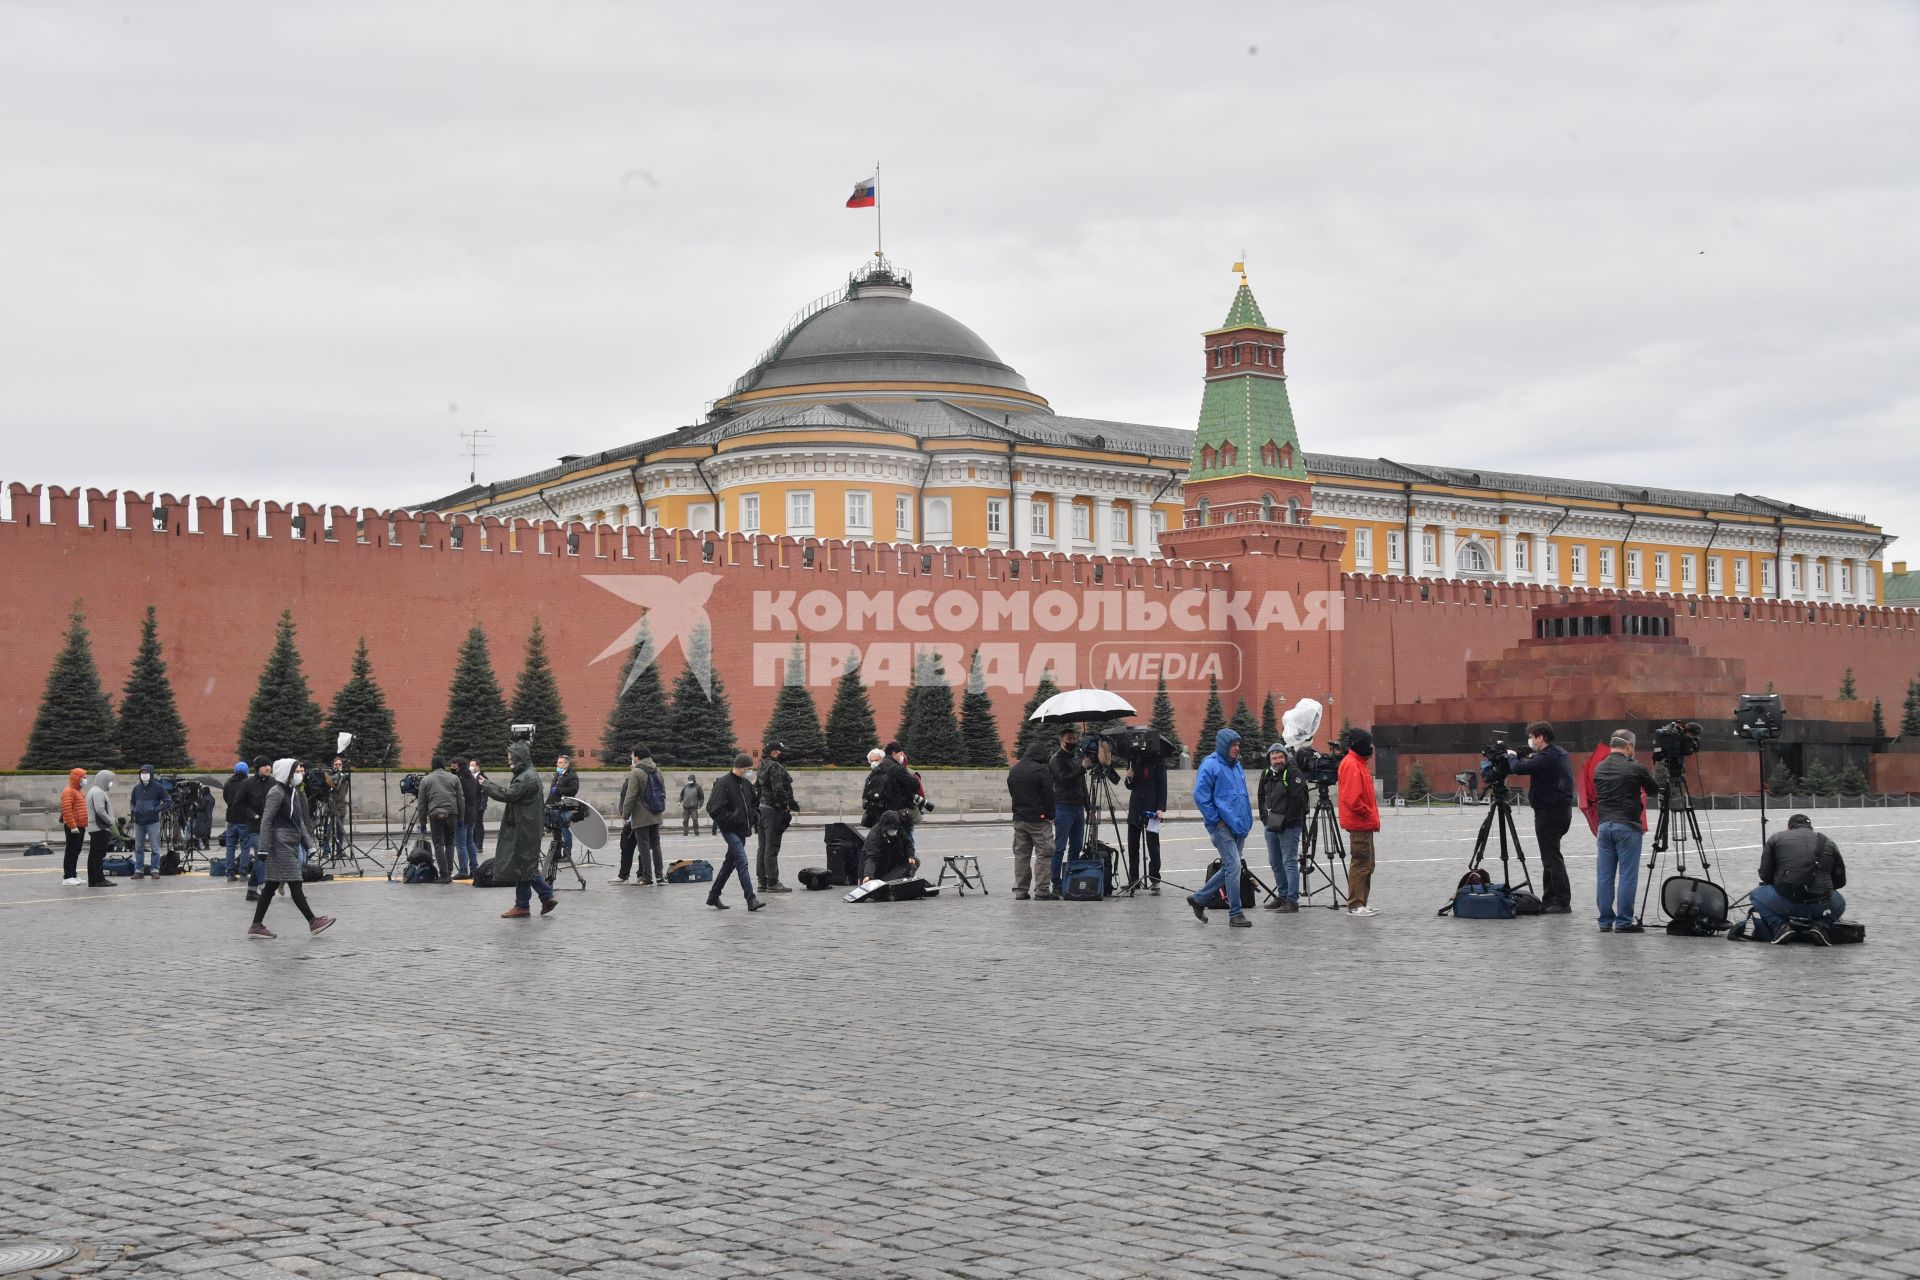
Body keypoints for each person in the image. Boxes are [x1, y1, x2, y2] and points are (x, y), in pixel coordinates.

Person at [248, 759, 336, 939]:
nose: (300, 774)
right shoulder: (276, 792)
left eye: (300, 771)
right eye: (296, 771)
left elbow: (298, 821)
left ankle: (256, 926)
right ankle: (313, 922)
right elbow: (266, 820)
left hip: (290, 842)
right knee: (295, 882)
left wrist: (309, 845)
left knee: (271, 886)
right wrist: (263, 848)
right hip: (279, 844)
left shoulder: (292, 792)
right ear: (286, 773)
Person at [1593, 729, 1658, 933]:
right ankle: (1623, 922)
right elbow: (1654, 789)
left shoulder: (1599, 767)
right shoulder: (1634, 767)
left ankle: (1604, 921)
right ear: (1629, 746)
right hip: (1627, 826)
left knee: (1604, 876)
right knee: (1627, 876)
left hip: (1604, 827)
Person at [483, 740, 556, 919]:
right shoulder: (526, 774)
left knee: (525, 866)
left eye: (510, 758)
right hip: (526, 826)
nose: (508, 761)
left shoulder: (526, 777)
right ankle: (524, 905)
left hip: (525, 829)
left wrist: (485, 783)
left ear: (519, 758)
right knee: (523, 866)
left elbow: (508, 794)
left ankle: (544, 896)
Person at [1506, 721, 1575, 913]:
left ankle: (1562, 901)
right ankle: (1550, 899)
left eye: (1531, 737)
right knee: (1550, 857)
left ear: (1540, 737)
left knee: (1552, 859)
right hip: (1560, 812)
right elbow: (1537, 762)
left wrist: (1511, 757)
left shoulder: (1547, 757)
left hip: (1549, 813)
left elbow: (1519, 769)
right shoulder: (1558, 752)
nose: (1530, 740)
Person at [1188, 728, 1252, 926]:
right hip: (1222, 827)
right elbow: (1200, 796)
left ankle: (1199, 899)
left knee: (1229, 868)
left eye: (1238, 744)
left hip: (1238, 826)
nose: (1236, 748)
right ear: (1224, 745)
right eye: (1233, 745)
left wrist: (1246, 821)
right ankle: (1235, 913)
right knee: (1233, 866)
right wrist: (1216, 820)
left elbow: (1242, 796)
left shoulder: (1237, 766)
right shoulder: (1210, 765)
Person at [1751, 813, 1848, 931]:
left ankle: (1780, 926)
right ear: (1811, 828)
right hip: (1821, 905)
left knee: (1756, 895)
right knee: (1840, 902)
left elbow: (1765, 876)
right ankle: (1821, 926)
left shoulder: (1776, 839)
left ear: (1789, 827)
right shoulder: (1828, 842)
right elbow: (1840, 881)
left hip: (1786, 902)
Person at [704, 752, 764, 911]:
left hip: (742, 830)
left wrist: (754, 816)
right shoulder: (723, 783)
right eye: (748, 768)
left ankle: (713, 896)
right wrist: (732, 819)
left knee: (729, 863)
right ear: (740, 767)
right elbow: (713, 809)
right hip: (729, 829)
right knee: (742, 861)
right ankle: (751, 899)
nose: (749, 771)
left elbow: (754, 803)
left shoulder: (746, 784)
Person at [1259, 742, 1307, 912]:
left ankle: (1292, 900)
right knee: (1275, 862)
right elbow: (1261, 797)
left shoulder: (1293, 773)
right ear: (1269, 759)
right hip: (1272, 824)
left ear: (1285, 758)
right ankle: (1282, 895)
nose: (1277, 760)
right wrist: (1265, 819)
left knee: (1289, 862)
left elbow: (1297, 800)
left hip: (1289, 825)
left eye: (1280, 757)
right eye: (1274, 757)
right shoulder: (1266, 774)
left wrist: (1286, 822)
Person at [1006, 739, 1056, 900]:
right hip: (1039, 820)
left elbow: (1012, 792)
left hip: (1019, 819)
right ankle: (1042, 891)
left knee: (1021, 855)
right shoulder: (1042, 770)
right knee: (1043, 854)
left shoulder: (1014, 770)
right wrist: (1050, 814)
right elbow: (1049, 794)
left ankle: (1020, 890)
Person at [1338, 729, 1381, 917]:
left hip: (1365, 823)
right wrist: (1368, 812)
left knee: (1367, 864)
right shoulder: (1351, 764)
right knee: (1361, 864)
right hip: (1360, 823)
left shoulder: (1359, 763)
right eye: (1367, 742)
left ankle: (1361, 902)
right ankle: (1355, 905)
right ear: (1358, 743)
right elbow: (1352, 799)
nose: (1370, 747)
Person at [616, 745, 666, 885]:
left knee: (643, 847)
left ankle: (647, 877)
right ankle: (660, 877)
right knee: (655, 845)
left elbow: (630, 796)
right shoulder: (657, 770)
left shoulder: (636, 772)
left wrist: (625, 814)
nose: (632, 758)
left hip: (641, 815)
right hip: (655, 813)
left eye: (632, 756)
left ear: (637, 757)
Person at [1049, 726, 1089, 895]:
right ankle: (1056, 882)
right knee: (1059, 847)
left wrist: (1089, 806)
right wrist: (1082, 768)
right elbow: (1063, 779)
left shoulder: (1076, 758)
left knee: (1076, 847)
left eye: (1074, 739)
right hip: (1063, 806)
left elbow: (1082, 784)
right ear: (1061, 740)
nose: (1072, 741)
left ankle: (1070, 879)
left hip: (1078, 807)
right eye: (1069, 739)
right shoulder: (1056, 759)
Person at [1125, 744, 1168, 893]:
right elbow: (1130, 786)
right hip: (1136, 807)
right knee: (1132, 845)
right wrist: (1129, 779)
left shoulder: (1158, 760)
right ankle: (1134, 879)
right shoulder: (1133, 759)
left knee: (1153, 846)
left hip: (1152, 808)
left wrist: (1161, 808)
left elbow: (1163, 785)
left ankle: (1155, 879)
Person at [755, 740, 797, 893]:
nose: (780, 753)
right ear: (773, 752)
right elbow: (778, 789)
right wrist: (786, 805)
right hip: (772, 810)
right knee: (772, 848)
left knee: (763, 847)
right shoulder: (774, 766)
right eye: (778, 751)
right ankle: (773, 882)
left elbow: (758, 787)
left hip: (762, 808)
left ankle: (762, 882)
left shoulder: (762, 765)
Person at [416, 755, 465, 884]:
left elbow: (422, 803)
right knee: (450, 843)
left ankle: (443, 875)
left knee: (438, 844)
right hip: (452, 814)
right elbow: (461, 799)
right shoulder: (454, 778)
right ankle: (448, 872)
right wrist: (461, 818)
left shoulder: (426, 780)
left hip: (435, 814)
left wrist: (422, 822)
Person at [220, 760, 259, 882]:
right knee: (245, 847)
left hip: (231, 818)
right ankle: (243, 873)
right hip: (244, 819)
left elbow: (226, 798)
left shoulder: (228, 784)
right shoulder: (247, 783)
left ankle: (230, 873)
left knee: (230, 846)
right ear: (247, 771)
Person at [128, 764, 166, 879]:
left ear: (151, 774)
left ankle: (155, 869)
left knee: (155, 847)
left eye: (146, 773)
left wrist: (156, 809)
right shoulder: (137, 788)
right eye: (142, 773)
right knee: (138, 847)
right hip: (139, 822)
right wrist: (133, 810)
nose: (144, 775)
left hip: (153, 821)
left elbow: (167, 801)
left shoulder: (158, 787)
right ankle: (139, 870)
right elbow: (132, 802)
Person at [243, 755, 273, 900]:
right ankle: (263, 886)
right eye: (264, 765)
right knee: (262, 854)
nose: (268, 768)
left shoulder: (274, 783)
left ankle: (251, 890)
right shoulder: (248, 784)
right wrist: (252, 815)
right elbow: (239, 804)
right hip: (254, 827)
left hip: (269, 826)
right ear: (257, 768)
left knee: (260, 857)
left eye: (269, 765)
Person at [83, 768, 118, 888]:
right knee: (98, 853)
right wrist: (110, 821)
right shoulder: (98, 792)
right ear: (104, 780)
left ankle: (94, 879)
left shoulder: (95, 790)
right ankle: (98, 879)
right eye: (110, 780)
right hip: (99, 827)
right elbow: (100, 810)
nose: (111, 783)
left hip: (95, 826)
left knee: (94, 854)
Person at [456, 756, 485, 880]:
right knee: (470, 842)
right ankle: (474, 868)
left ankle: (463, 870)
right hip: (472, 813)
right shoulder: (472, 778)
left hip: (462, 815)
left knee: (461, 844)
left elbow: (459, 798)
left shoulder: (459, 779)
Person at [547, 754, 580, 860]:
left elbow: (573, 790)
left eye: (560, 762)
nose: (557, 764)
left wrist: (559, 790)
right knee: (556, 830)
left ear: (566, 764)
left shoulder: (572, 775)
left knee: (565, 830)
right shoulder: (558, 774)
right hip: (555, 805)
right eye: (558, 762)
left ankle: (567, 855)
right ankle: (556, 854)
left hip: (567, 805)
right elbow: (552, 791)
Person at [60, 767, 87, 887]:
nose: (85, 779)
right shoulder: (69, 791)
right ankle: (68, 876)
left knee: (76, 850)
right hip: (74, 826)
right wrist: (72, 825)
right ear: (77, 778)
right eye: (83, 777)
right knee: (71, 851)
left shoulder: (78, 791)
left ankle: (73, 874)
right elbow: (66, 810)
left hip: (80, 825)